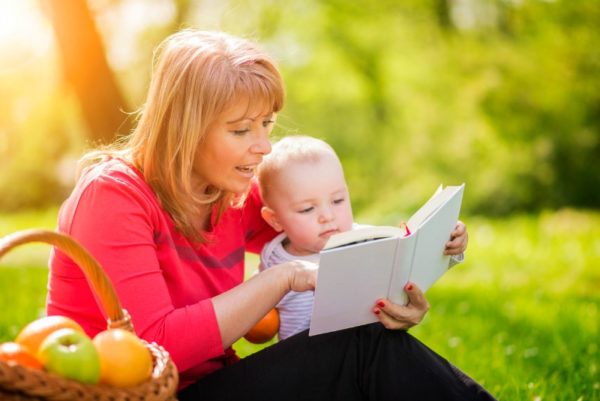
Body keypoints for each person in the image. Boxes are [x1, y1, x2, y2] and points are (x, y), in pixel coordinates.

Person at [47, 29, 496, 400]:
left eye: (267, 124)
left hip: (213, 385)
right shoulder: (113, 197)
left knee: (365, 341)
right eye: (241, 129)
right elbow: (152, 348)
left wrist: (419, 256)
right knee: (358, 349)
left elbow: (331, 235)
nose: (262, 146)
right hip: (142, 394)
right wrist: (279, 279)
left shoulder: (231, 190)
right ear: (184, 128)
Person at [257, 135, 466, 340]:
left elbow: (412, 266)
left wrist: (448, 241)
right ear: (275, 220)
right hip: (303, 361)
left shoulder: (367, 240)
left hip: (362, 350)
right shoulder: (273, 255)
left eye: (337, 200)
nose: (327, 216)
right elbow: (261, 309)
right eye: (307, 209)